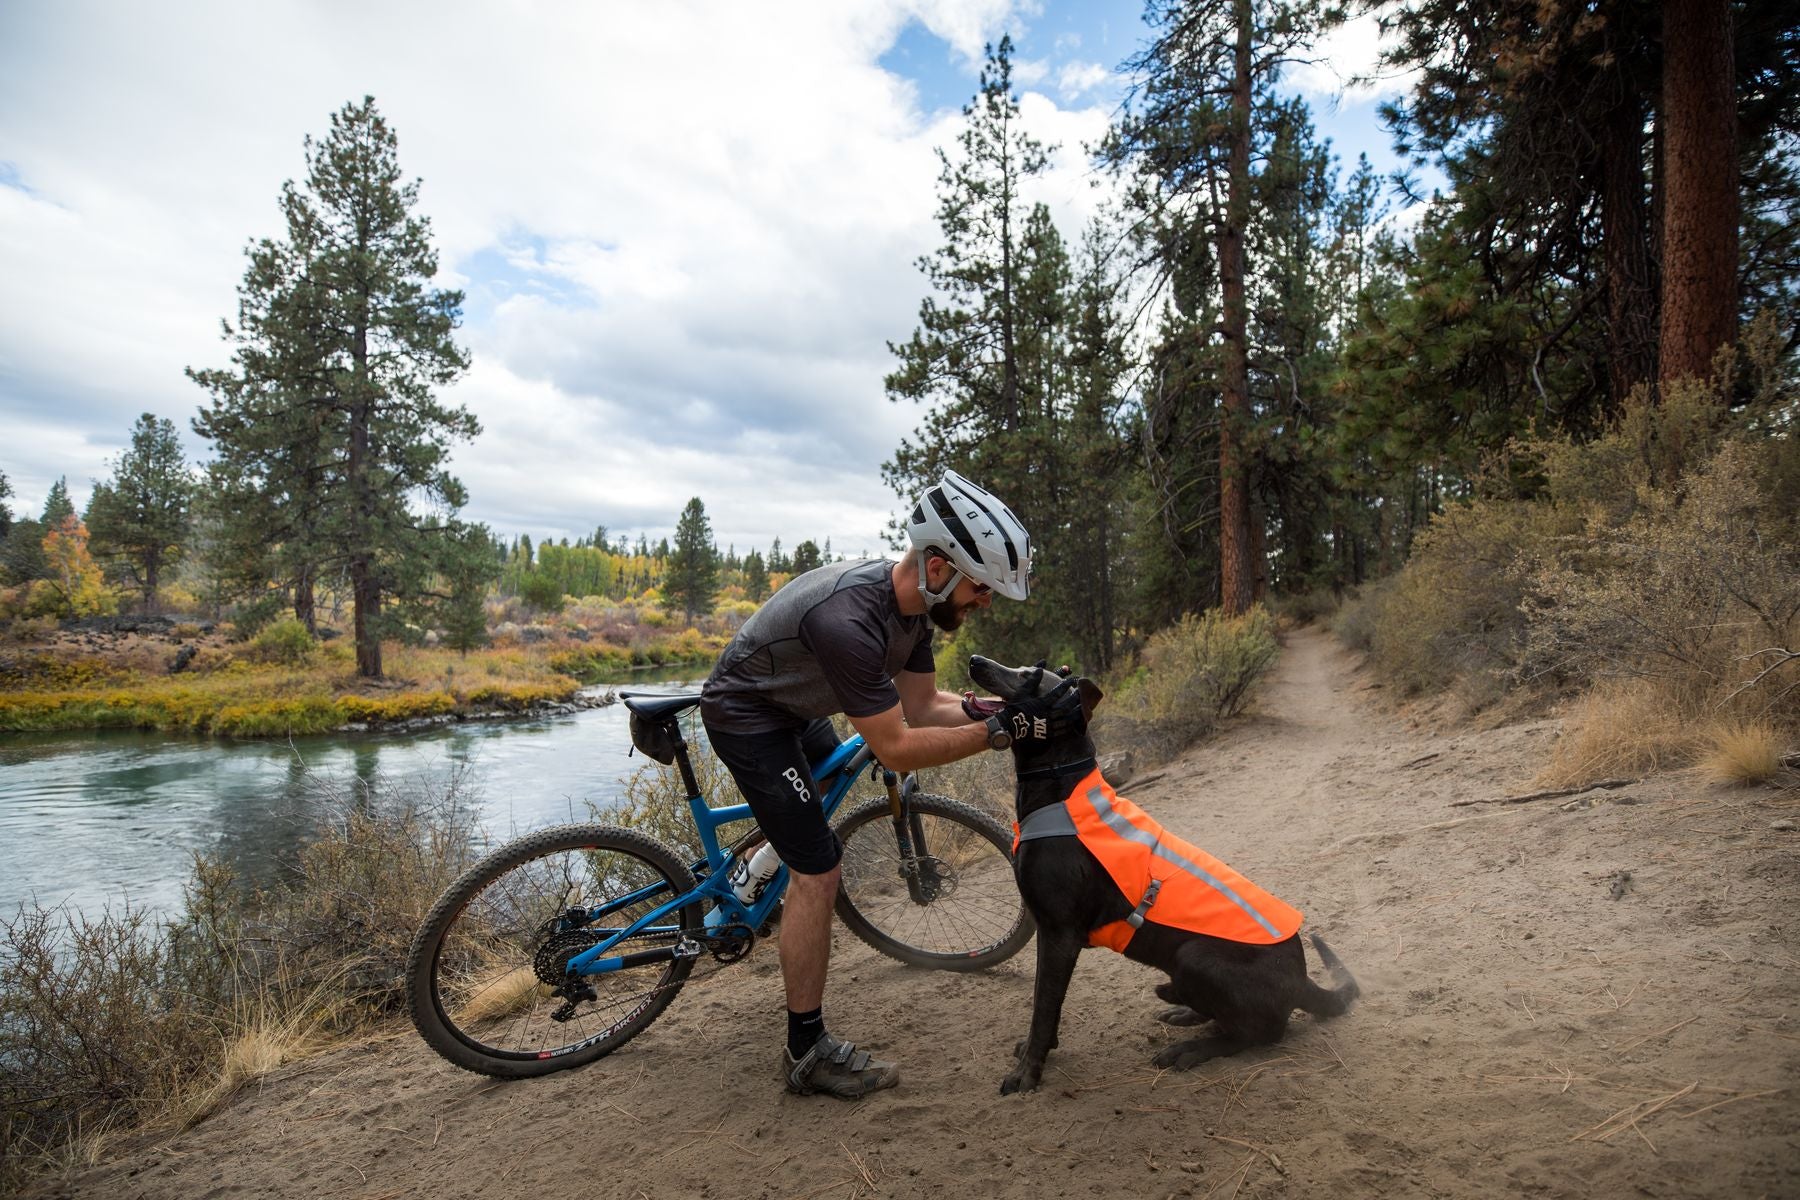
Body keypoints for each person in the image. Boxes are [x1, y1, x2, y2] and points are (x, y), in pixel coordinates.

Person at [699, 471, 1084, 1099]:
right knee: (818, 871)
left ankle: (761, 870)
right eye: (981, 587)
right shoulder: (851, 620)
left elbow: (927, 706)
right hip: (748, 715)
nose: (984, 602)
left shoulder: (912, 616)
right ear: (937, 568)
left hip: (794, 709)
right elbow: (897, 744)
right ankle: (806, 1051)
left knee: (812, 815)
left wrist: (1021, 709)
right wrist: (1006, 732)